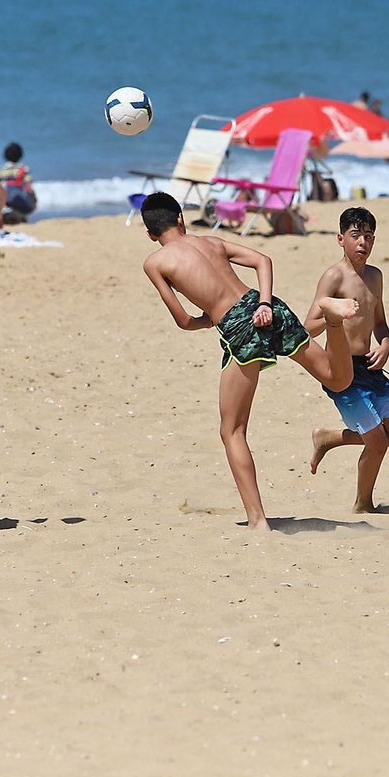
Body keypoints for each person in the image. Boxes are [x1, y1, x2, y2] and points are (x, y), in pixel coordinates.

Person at [139, 191, 359, 533]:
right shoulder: (211, 241)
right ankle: (332, 321)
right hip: (265, 305)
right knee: (337, 379)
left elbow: (182, 320)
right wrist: (265, 304)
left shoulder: (155, 262)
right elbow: (263, 260)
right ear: (181, 218)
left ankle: (258, 522)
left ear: (151, 234)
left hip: (239, 328)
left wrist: (208, 320)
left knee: (232, 431)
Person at [305, 208, 389, 513]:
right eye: (355, 236)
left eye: (368, 236)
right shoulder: (334, 276)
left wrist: (386, 344)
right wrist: (333, 313)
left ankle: (329, 438)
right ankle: (363, 505)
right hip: (342, 370)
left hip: (370, 366)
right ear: (341, 239)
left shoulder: (375, 276)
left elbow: (379, 321)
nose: (362, 243)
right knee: (377, 443)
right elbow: (308, 325)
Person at [0, 141, 38, 216]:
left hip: (5, 200)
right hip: (21, 201)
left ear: (5, 156)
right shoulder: (24, 169)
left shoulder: (1, 170)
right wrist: (34, 200)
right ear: (20, 156)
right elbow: (29, 187)